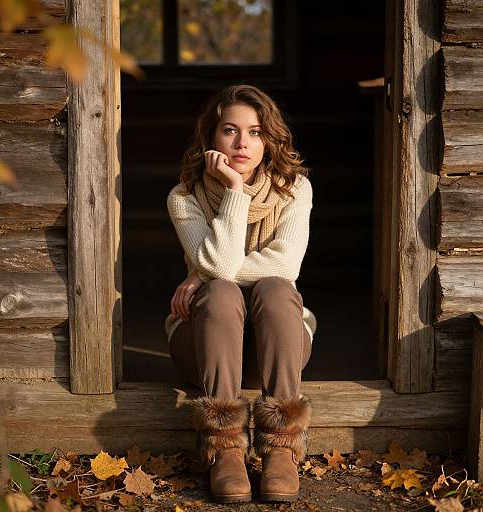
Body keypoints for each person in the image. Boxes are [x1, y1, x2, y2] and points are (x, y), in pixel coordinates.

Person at [164, 84, 316, 503]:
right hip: (205, 350)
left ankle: (281, 448)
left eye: (254, 132)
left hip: (277, 349)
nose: (242, 143)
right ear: (211, 138)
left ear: (269, 139)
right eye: (230, 131)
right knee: (221, 296)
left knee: (275, 288)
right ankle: (225, 449)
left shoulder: (294, 189)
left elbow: (285, 266)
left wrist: (201, 273)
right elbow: (222, 271)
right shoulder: (185, 198)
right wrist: (233, 189)